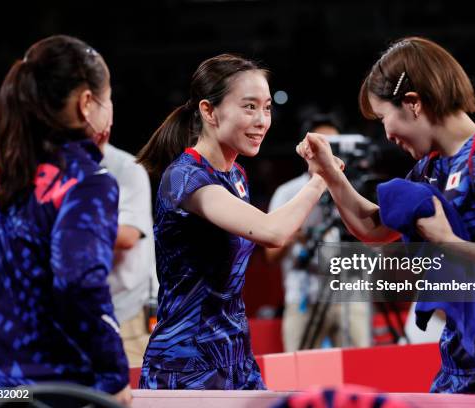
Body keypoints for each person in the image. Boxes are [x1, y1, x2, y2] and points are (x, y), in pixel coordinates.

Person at [296, 37, 475, 395]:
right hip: (457, 366)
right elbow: (373, 229)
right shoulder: (430, 167)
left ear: (413, 103)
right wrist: (329, 172)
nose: (387, 134)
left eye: (384, 117)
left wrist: (451, 243)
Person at [137, 54, 339, 390]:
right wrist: (320, 178)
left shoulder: (237, 175)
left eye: (267, 108)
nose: (262, 120)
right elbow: (272, 232)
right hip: (187, 362)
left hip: (235, 354)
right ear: (209, 111)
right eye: (249, 107)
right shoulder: (185, 177)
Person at [0, 35, 131, 404]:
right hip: (56, 394)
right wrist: (114, 376)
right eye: (109, 98)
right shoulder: (87, 181)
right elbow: (78, 283)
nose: (111, 110)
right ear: (87, 103)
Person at [266, 113, 371, 351]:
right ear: (306, 148)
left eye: (333, 144)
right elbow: (271, 255)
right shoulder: (287, 192)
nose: (328, 151)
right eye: (321, 144)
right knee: (298, 379)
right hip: (304, 296)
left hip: (349, 295)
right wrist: (296, 231)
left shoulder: (354, 191)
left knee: (362, 375)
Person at [100, 142, 157, 367]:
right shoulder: (53, 167)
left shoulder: (124, 167)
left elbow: (127, 236)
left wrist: (65, 226)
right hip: (77, 314)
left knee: (130, 398)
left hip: (127, 312)